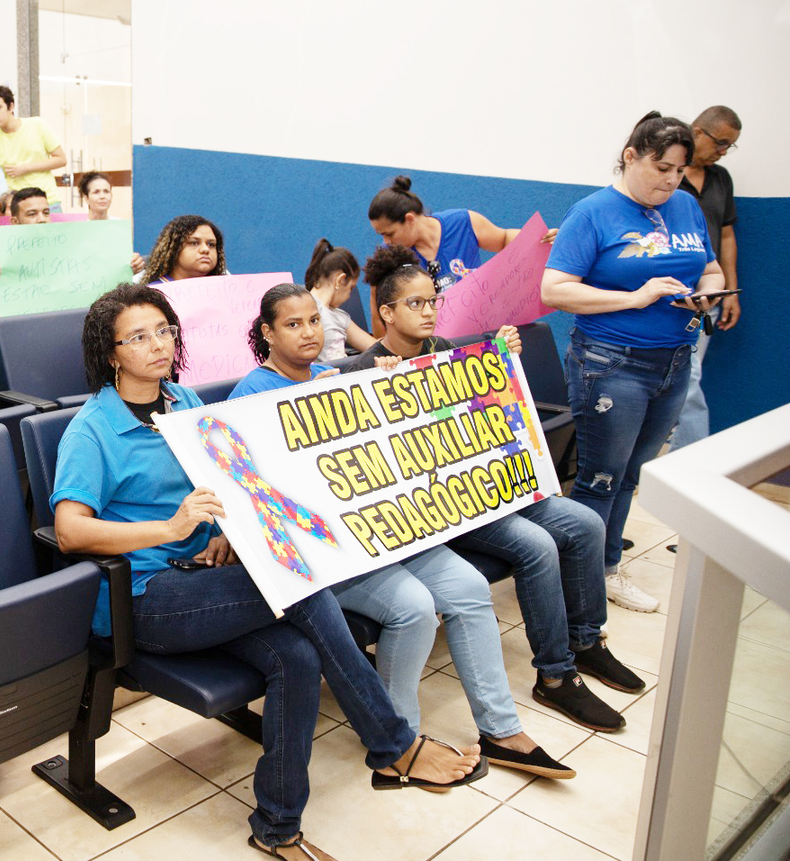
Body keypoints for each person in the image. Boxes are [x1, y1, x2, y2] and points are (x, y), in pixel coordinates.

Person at [53, 282, 485, 857]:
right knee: (302, 587)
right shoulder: (92, 430)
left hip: (207, 577)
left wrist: (228, 531)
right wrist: (170, 529)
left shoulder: (184, 403)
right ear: (110, 353)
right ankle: (392, 744)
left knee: (298, 658)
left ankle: (277, 828)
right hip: (145, 598)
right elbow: (69, 529)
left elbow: (233, 482)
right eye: (137, 337)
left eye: (164, 331)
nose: (156, 345)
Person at [229, 281, 580, 773]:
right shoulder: (252, 394)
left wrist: (389, 387)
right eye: (292, 324)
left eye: (313, 320)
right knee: (414, 606)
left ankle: (501, 730)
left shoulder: (333, 377)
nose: (307, 332)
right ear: (267, 333)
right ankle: (400, 742)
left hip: (382, 531)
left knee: (471, 587)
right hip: (326, 551)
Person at [349, 247, 645, 731]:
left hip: (488, 489)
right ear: (385, 312)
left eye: (432, 302)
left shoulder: (449, 353)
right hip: (440, 510)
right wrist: (377, 396)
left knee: (587, 523)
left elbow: (491, 419)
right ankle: (555, 675)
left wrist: (502, 360)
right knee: (536, 545)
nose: (428, 312)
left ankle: (587, 641)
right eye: (414, 304)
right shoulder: (362, 371)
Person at [542, 111, 724, 613]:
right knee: (600, 477)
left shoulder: (685, 207)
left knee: (630, 474)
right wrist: (635, 297)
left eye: (679, 170)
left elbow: (708, 267)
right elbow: (554, 289)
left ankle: (604, 569)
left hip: (673, 360)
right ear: (631, 156)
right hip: (611, 362)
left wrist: (707, 295)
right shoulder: (594, 212)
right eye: (661, 167)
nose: (671, 180)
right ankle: (577, 585)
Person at [669, 106, 743, 454]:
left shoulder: (720, 178)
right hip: (673, 296)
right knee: (689, 378)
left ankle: (674, 458)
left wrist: (730, 290)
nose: (724, 151)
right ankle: (693, 462)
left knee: (687, 378)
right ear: (697, 131)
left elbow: (726, 236)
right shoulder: (665, 176)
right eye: (721, 142)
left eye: (730, 146)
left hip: (710, 294)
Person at [367, 175, 555, 295]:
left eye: (389, 234)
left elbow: (504, 239)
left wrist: (545, 240)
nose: (386, 242)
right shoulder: (388, 257)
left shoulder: (463, 222)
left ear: (409, 219)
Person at [0, 187, 144, 313]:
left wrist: (127, 267)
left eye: (46, 213)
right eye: (32, 214)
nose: (42, 219)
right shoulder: (0, 258)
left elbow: (104, 284)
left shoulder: (73, 251)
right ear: (15, 222)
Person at [0, 85, 67, 213]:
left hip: (48, 202)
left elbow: (61, 159)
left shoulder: (37, 125)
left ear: (11, 107)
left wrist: (24, 168)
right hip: (18, 207)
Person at [304, 239, 374, 360]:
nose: (349, 296)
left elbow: (375, 347)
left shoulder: (340, 317)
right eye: (351, 288)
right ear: (340, 280)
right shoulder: (303, 309)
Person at [143, 214, 226, 283]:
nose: (205, 249)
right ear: (174, 249)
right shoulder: (153, 294)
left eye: (211, 244)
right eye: (194, 243)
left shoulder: (225, 291)